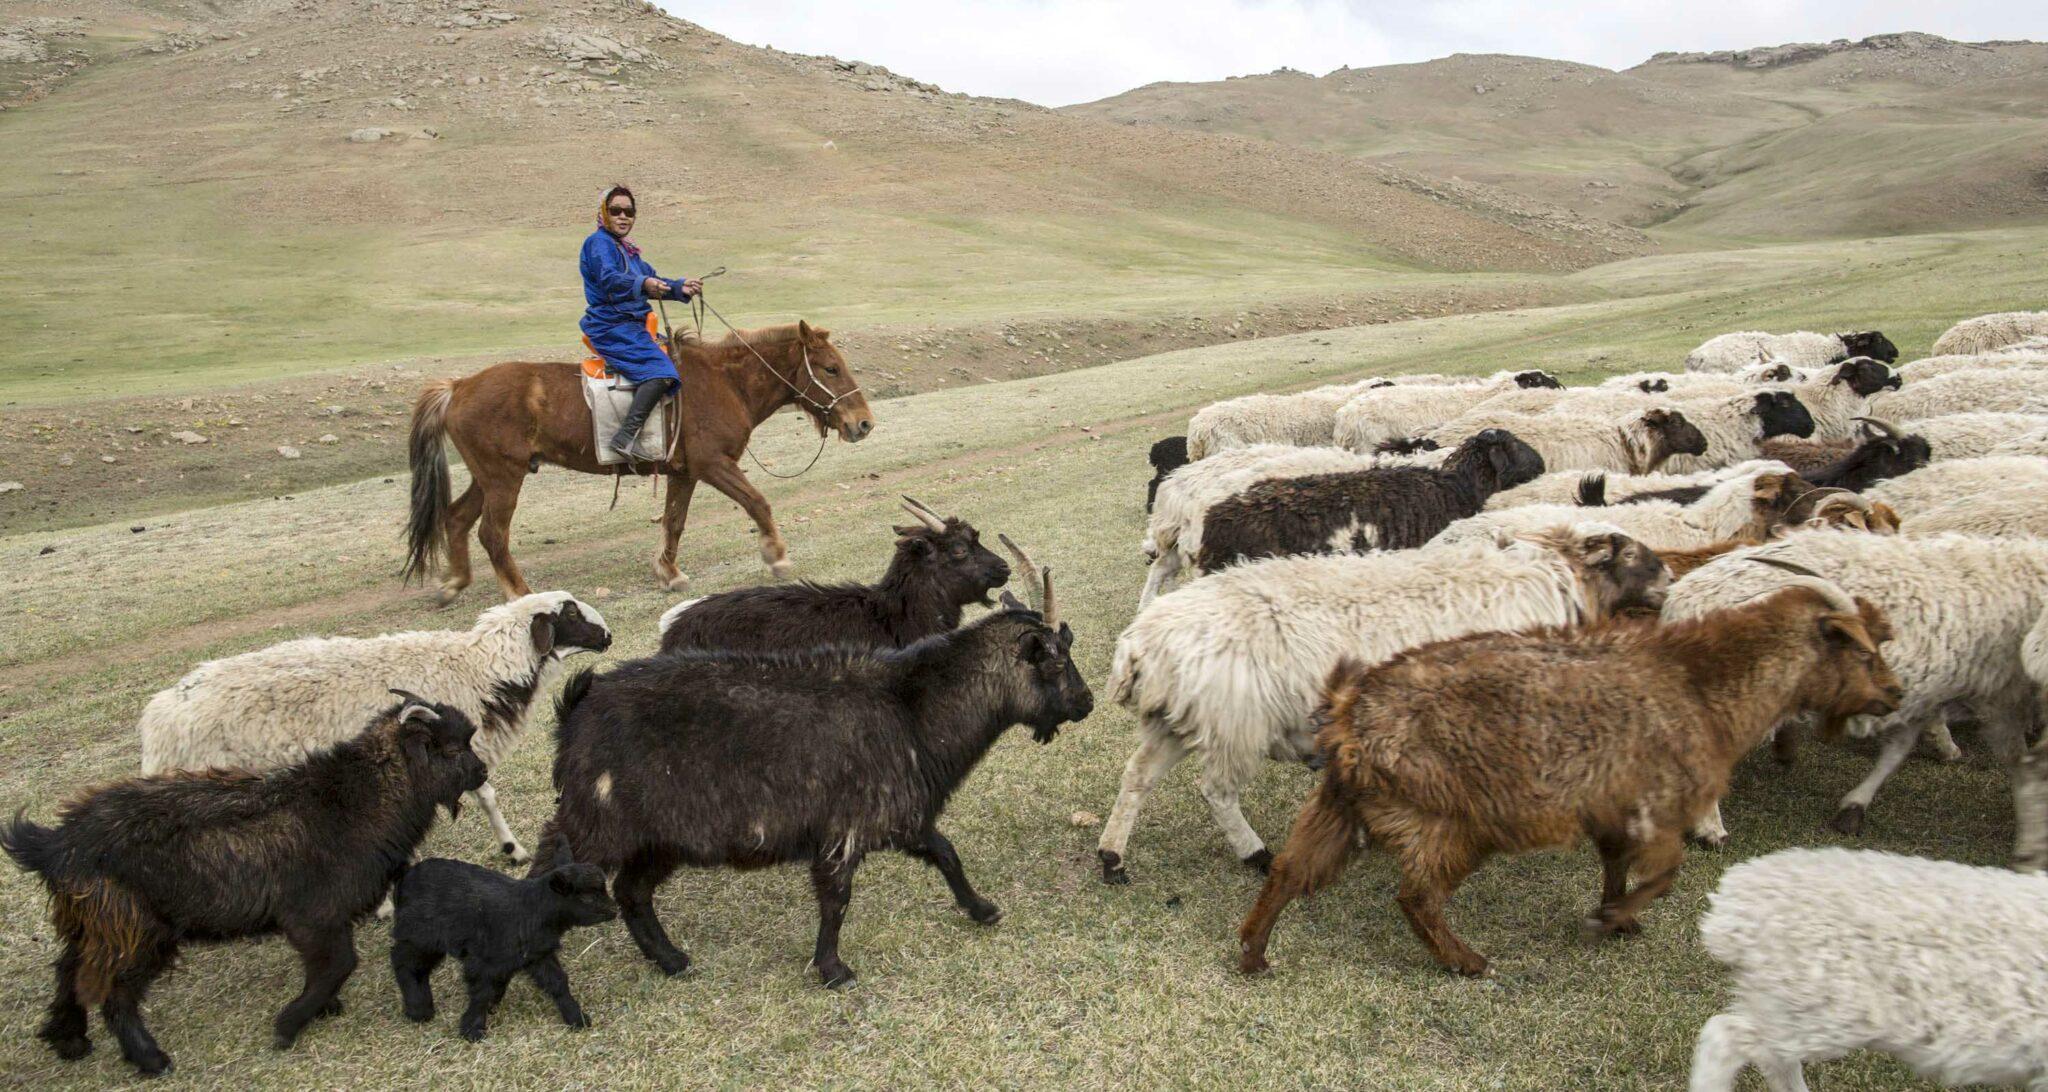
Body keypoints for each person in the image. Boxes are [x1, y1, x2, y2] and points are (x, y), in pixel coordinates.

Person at [580, 184, 703, 459]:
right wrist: (643, 283)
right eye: (616, 211)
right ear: (604, 213)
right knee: (661, 373)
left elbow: (653, 280)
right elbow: (609, 279)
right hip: (612, 326)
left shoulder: (629, 252)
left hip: (633, 326)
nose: (624, 216)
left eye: (629, 211)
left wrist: (680, 287)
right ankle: (625, 437)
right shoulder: (598, 244)